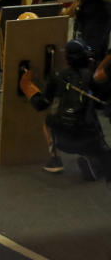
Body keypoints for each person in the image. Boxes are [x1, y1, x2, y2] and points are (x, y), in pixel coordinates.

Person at [20, 39, 111, 183]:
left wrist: (27, 86)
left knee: (48, 121)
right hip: (91, 139)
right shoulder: (92, 78)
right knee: (91, 116)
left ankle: (55, 160)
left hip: (64, 140)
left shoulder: (58, 78)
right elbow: (103, 104)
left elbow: (40, 104)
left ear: (66, 60)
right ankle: (94, 159)